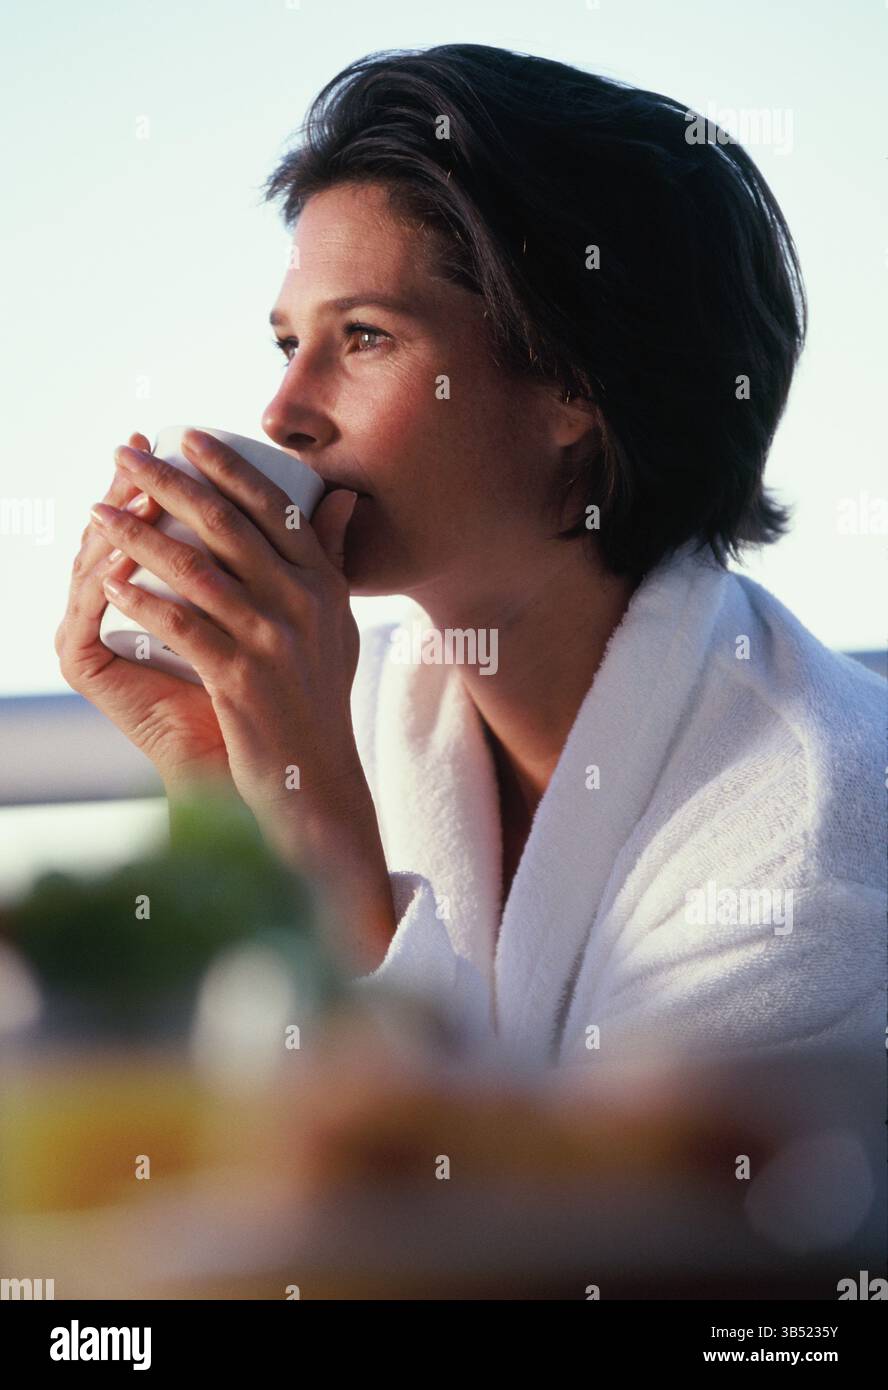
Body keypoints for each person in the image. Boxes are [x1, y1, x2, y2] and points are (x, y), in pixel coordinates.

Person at [56, 44, 884, 1071]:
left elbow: (537, 1222)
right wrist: (224, 788)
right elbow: (225, 1145)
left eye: (363, 337)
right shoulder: (366, 708)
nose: (284, 410)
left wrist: (321, 841)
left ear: (573, 388)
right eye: (287, 343)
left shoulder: (813, 828)